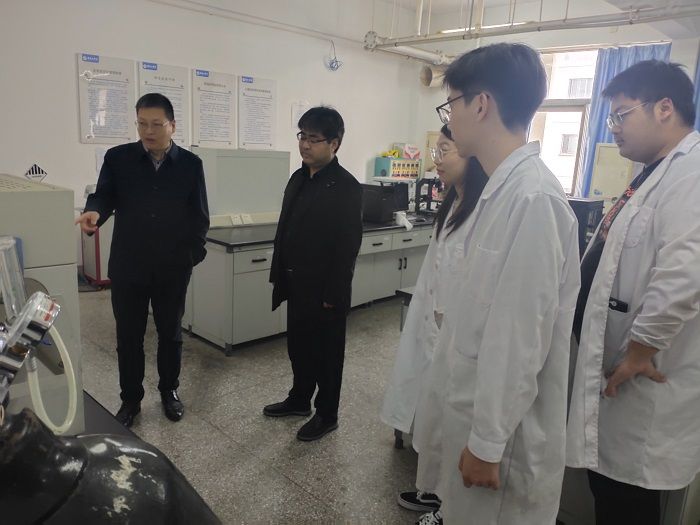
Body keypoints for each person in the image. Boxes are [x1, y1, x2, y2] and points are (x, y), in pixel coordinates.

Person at [411, 43, 581, 524]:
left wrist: (486, 444)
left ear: (481, 104)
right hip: (473, 412)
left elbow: (519, 337)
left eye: (452, 104)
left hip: (503, 442)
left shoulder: (533, 200)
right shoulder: (500, 193)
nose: (450, 119)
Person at [567, 61, 700, 525]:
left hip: (641, 374)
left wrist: (641, 350)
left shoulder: (691, 172)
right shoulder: (653, 173)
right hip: (616, 369)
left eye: (622, 115)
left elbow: (684, 273)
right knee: (609, 490)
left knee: (625, 501)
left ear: (664, 108)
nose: (614, 128)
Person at [75, 93, 209, 427]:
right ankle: (131, 399)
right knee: (128, 337)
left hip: (172, 267)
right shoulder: (118, 158)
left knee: (170, 333)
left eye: (156, 124)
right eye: (142, 124)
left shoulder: (191, 165)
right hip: (129, 265)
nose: (148, 131)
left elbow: (199, 215)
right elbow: (104, 195)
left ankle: (169, 391)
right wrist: (94, 212)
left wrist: (191, 255)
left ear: (172, 125)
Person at [380, 124, 488, 525]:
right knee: (436, 415)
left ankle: (449, 506)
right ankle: (437, 492)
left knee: (454, 421)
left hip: (459, 339)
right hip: (436, 329)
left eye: (445, 151)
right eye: (436, 151)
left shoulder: (485, 208)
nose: (436, 160)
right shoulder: (454, 202)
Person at [264, 106, 362, 442]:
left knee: (327, 356)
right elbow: (287, 229)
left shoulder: (346, 187)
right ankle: (299, 399)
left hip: (325, 291)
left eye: (314, 138)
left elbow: (347, 247)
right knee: (299, 347)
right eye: (302, 136)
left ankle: (327, 414)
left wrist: (334, 295)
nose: (305, 144)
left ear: (334, 143)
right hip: (296, 283)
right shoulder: (298, 177)